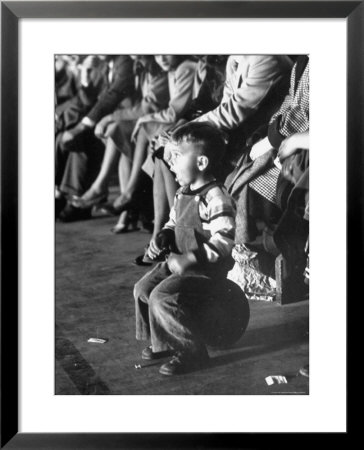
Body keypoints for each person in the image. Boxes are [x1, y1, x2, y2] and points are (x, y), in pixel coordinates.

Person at [133, 122, 250, 376]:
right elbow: (174, 222)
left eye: (176, 157)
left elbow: (226, 239)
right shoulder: (182, 193)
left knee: (162, 297)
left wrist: (192, 258)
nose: (170, 163)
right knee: (142, 289)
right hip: (181, 263)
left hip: (204, 270)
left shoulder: (216, 197)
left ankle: (192, 352)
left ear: (201, 163)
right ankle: (162, 341)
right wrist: (163, 237)